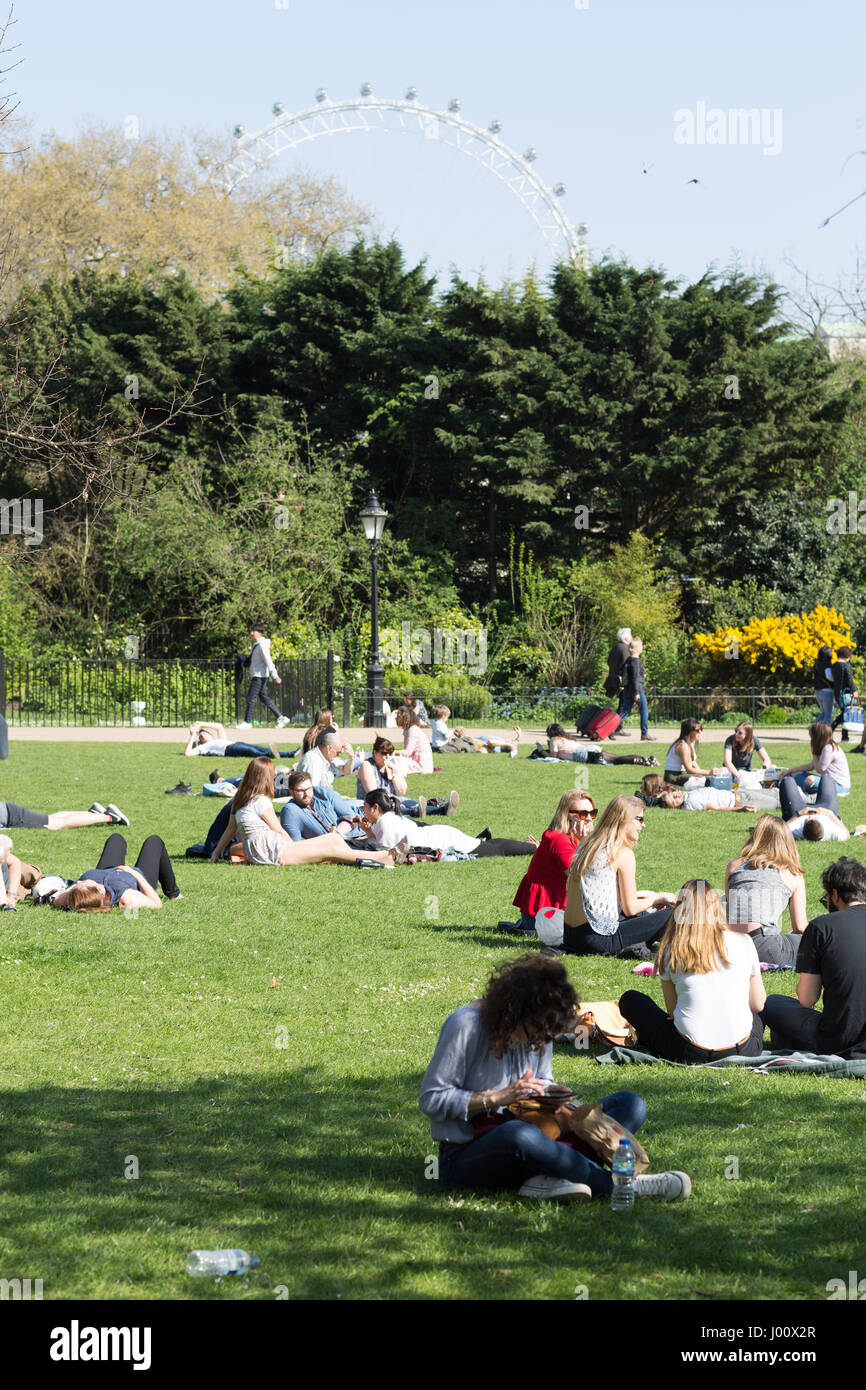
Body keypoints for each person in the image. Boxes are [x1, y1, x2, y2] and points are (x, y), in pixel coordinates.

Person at [420, 953, 691, 1202]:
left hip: (538, 1130)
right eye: (535, 1033)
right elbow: (432, 1099)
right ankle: (622, 1185)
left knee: (630, 1104)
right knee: (519, 1135)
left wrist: (554, 1097)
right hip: (471, 1150)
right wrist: (498, 1097)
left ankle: (547, 1176)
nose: (539, 1041)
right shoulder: (466, 1025)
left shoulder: (541, 1027)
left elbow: (542, 1080)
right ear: (514, 1013)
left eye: (546, 1036)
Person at [619, 880, 766, 1062]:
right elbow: (758, 1005)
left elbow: (672, 1013)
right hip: (743, 1050)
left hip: (689, 1051)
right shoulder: (744, 941)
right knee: (760, 1015)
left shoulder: (672, 949)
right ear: (717, 908)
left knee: (631, 1000)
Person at [209, 758, 404, 867]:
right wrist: (298, 848)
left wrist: (216, 853)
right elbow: (279, 831)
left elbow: (230, 829)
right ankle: (386, 856)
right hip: (274, 851)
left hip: (265, 851)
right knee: (331, 850)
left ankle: (384, 855)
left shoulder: (240, 801)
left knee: (334, 840)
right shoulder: (261, 801)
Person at [762, 857, 866, 1056]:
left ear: (834, 894)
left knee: (773, 1002)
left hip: (837, 1041)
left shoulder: (822, 927)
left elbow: (807, 998)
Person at [563, 794, 675, 957]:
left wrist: (646, 898)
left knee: (644, 914)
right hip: (596, 940)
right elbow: (630, 909)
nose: (643, 826)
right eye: (639, 819)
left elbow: (601, 893)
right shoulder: (622, 852)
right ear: (624, 819)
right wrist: (657, 898)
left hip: (570, 937)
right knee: (675, 913)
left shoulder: (589, 843)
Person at [506, 791, 597, 936]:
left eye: (592, 813)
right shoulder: (559, 839)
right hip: (544, 917)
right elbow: (582, 877)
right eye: (582, 814)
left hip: (551, 911)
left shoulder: (570, 836)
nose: (588, 819)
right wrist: (588, 841)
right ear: (567, 815)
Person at [725, 816, 808, 966]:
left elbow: (731, 911)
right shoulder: (792, 873)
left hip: (729, 946)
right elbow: (800, 927)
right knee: (815, 943)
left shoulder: (734, 866)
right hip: (764, 945)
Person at [360, 789, 539, 858]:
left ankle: (535, 848)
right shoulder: (392, 817)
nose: (363, 810)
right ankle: (528, 846)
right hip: (442, 834)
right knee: (490, 845)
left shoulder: (385, 824)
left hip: (444, 841)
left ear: (376, 808)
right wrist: (366, 830)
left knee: (496, 849)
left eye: (365, 807)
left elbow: (384, 852)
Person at [51, 833, 182, 911]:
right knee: (154, 841)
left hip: (107, 870)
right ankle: (174, 893)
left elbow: (56, 899)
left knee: (116, 838)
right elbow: (157, 904)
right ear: (100, 889)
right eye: (83, 883)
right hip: (139, 877)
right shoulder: (126, 897)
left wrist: (74, 887)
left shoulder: (76, 897)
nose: (79, 881)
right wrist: (135, 874)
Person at [356, 736, 458, 818]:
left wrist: (395, 773)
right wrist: (392, 801)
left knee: (413, 802)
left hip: (393, 799)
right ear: (374, 752)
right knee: (395, 808)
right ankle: (415, 812)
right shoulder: (367, 765)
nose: (387, 757)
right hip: (373, 804)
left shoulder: (391, 764)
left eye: (390, 753)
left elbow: (402, 791)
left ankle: (443, 809)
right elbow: (374, 793)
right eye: (383, 753)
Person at [279, 770, 364, 842]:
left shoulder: (323, 793)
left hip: (362, 814)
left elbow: (351, 816)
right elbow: (293, 846)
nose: (306, 794)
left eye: (309, 789)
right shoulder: (291, 811)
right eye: (300, 790)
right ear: (291, 792)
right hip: (351, 837)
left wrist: (335, 835)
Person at [776, 772, 862, 842]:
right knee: (827, 777)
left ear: (802, 829)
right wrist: (829, 814)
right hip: (826, 811)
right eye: (814, 818)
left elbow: (778, 831)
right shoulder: (831, 831)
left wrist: (798, 814)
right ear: (822, 825)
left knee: (787, 780)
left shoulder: (795, 830)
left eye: (808, 819)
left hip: (799, 811)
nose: (811, 815)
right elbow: (847, 834)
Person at [776, 721, 850, 799]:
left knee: (810, 780)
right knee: (796, 774)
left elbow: (819, 769)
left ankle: (794, 784)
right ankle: (797, 783)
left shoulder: (828, 748)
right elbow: (811, 765)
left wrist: (814, 752)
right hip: (829, 783)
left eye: (812, 737)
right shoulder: (826, 746)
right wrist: (790, 771)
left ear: (817, 737)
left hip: (839, 787)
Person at [236, 625, 288, 731]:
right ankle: (281, 718)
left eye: (253, 631)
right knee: (264, 697)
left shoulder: (262, 645)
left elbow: (268, 660)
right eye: (251, 631)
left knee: (251, 698)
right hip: (258, 675)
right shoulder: (256, 645)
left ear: (260, 633)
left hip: (259, 676)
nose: (251, 633)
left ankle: (247, 722)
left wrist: (275, 675)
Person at [545, 724, 658, 767]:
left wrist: (542, 751)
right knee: (616, 757)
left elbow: (553, 756)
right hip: (588, 748)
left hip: (583, 754)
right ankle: (645, 759)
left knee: (616, 760)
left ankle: (644, 761)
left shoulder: (555, 740)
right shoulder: (566, 738)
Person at [433, 705, 521, 756]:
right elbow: (516, 741)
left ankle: (462, 735)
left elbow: (490, 743)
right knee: (466, 736)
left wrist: (513, 743)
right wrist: (518, 735)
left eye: (513, 742)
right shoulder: (503, 741)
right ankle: (462, 735)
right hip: (480, 740)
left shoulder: (503, 746)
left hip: (482, 744)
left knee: (468, 738)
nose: (512, 741)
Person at [185, 722, 296, 760]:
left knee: (259, 748)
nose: (202, 734)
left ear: (210, 734)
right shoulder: (205, 748)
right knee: (251, 751)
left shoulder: (220, 739)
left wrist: (201, 724)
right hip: (230, 749)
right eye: (200, 736)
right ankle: (269, 755)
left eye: (203, 732)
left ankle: (292, 754)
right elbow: (188, 753)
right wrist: (192, 735)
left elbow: (219, 726)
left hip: (236, 743)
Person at [0, 799, 129, 832]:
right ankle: (93, 813)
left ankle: (110, 817)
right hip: (8, 811)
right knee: (51, 819)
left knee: (55, 824)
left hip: (11, 815)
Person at [646, 778, 760, 813]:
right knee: (776, 800)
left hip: (736, 792)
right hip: (740, 800)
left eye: (673, 795)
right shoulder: (692, 803)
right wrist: (741, 809)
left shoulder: (687, 795)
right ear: (676, 807)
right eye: (675, 801)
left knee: (774, 792)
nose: (677, 796)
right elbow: (718, 808)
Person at [663, 718, 722, 786]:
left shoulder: (690, 743)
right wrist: (708, 772)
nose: (700, 732)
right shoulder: (683, 745)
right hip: (673, 776)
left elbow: (693, 762)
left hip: (681, 774)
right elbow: (689, 769)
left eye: (701, 729)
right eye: (697, 730)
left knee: (708, 779)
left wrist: (705, 775)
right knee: (707, 781)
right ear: (689, 731)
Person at [618, 638, 654, 741]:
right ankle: (644, 733)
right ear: (638, 649)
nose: (642, 648)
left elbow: (629, 675)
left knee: (625, 712)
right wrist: (637, 692)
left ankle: (612, 727)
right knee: (644, 710)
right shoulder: (636, 662)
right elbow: (635, 678)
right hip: (637, 690)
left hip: (628, 690)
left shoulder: (628, 660)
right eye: (641, 646)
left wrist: (642, 675)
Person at [603, 628, 632, 728]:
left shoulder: (615, 647)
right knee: (623, 706)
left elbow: (609, 662)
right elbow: (626, 666)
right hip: (622, 682)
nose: (631, 637)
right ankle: (616, 727)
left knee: (621, 705)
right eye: (630, 635)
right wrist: (625, 682)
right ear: (626, 638)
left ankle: (617, 727)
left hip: (613, 680)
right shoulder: (625, 649)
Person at [830, 645, 857, 742]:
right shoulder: (846, 665)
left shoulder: (834, 665)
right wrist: (855, 691)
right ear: (847, 655)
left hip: (837, 693)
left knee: (846, 713)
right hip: (846, 694)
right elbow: (850, 680)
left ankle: (844, 736)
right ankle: (832, 728)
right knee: (847, 713)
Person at [395, 706, 433, 774]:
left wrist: (394, 752)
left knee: (395, 763)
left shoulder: (413, 730)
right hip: (415, 760)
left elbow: (407, 752)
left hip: (421, 764)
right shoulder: (408, 729)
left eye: (398, 716)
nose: (396, 718)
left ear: (405, 718)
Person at [813, 645, 836, 726]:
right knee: (828, 716)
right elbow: (829, 677)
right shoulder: (827, 664)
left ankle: (814, 726)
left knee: (824, 713)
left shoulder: (816, 664)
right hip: (827, 692)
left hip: (818, 691)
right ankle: (826, 735)